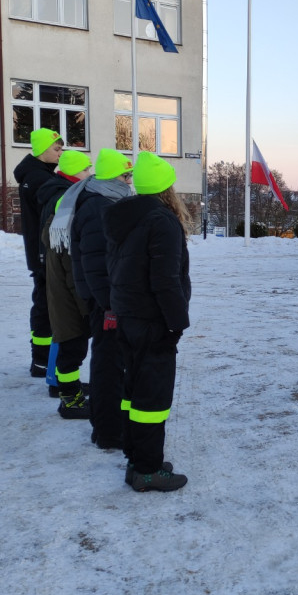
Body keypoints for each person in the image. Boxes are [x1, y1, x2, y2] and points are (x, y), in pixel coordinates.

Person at [104, 152, 190, 492]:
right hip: (152, 320)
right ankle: (148, 469)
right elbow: (165, 280)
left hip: (127, 315)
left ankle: (136, 456)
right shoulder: (162, 222)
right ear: (167, 188)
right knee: (152, 396)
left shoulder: (121, 217)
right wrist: (176, 323)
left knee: (133, 390)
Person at [70, 149, 133, 448]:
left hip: (107, 300)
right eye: (125, 175)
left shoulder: (104, 201)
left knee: (112, 363)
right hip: (106, 303)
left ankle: (107, 425)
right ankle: (109, 431)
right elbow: (96, 264)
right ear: (110, 177)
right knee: (109, 366)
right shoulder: (98, 207)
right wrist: (111, 305)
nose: (129, 181)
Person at [41, 150, 94, 417]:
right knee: (72, 348)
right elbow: (71, 267)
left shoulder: (61, 207)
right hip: (68, 298)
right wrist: (84, 302)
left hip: (61, 292)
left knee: (71, 347)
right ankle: (70, 400)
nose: (90, 175)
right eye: (86, 170)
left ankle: (70, 390)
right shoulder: (67, 206)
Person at [14, 128, 65, 378]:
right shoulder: (38, 178)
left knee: (43, 304)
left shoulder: (38, 174)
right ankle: (42, 360)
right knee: (45, 306)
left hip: (41, 251)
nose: (60, 153)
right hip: (43, 252)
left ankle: (41, 359)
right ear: (41, 150)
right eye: (56, 148)